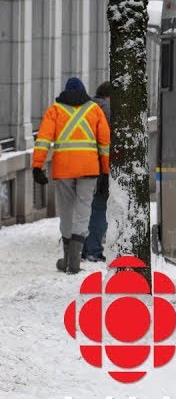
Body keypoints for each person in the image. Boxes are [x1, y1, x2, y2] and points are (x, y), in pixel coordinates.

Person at [32, 77, 111, 274]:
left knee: (66, 210)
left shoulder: (55, 110)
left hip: (63, 169)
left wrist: (37, 166)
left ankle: (67, 258)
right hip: (88, 168)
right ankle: (75, 261)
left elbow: (43, 140)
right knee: (84, 209)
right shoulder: (94, 110)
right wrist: (107, 170)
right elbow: (104, 143)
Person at [81, 82, 111, 263]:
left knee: (86, 209)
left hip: (82, 166)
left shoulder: (86, 107)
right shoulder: (108, 109)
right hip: (101, 167)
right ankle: (93, 249)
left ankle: (83, 247)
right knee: (100, 209)